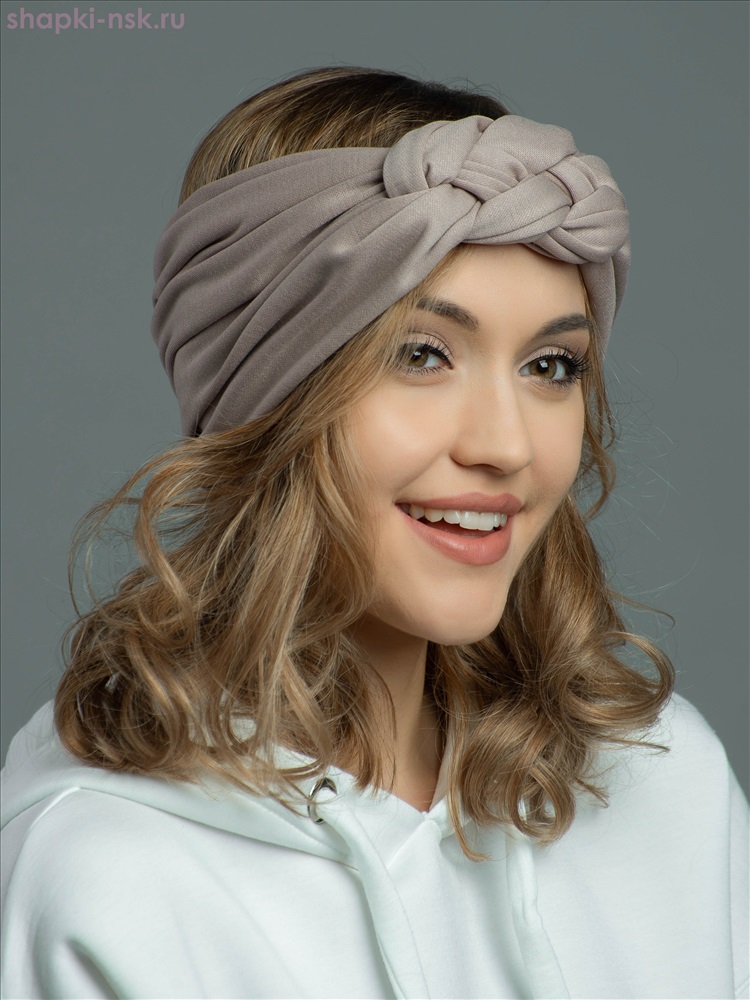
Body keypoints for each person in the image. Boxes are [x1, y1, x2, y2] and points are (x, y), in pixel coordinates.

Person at [1, 66, 747, 1000]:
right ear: (266, 397)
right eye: (422, 354)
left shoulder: (665, 787)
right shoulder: (109, 879)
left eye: (551, 366)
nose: (508, 446)